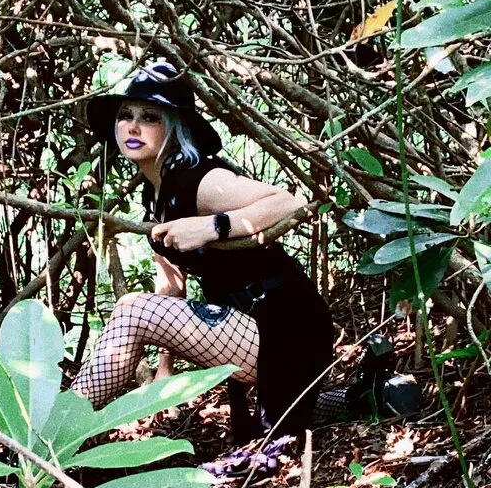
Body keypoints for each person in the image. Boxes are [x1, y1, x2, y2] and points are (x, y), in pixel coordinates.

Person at [72, 61, 335, 442]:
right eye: (125, 116)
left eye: (150, 118)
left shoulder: (201, 180)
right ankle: (357, 397)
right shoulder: (155, 194)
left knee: (131, 309)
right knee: (138, 310)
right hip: (242, 322)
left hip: (287, 326)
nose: (132, 127)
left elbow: (288, 203)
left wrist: (212, 226)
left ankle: (55, 430)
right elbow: (170, 285)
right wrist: (165, 366)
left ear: (174, 128)